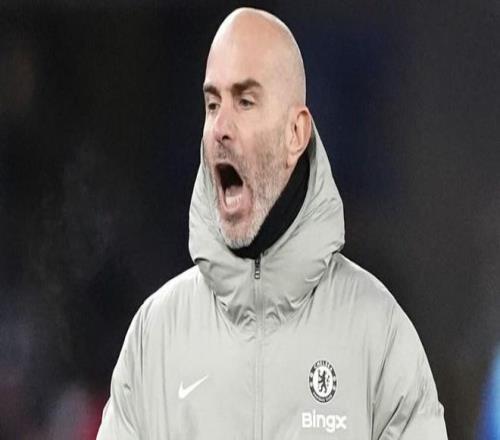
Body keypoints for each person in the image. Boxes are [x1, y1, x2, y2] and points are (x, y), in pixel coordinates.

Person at [97, 7, 448, 439]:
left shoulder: (379, 335)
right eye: (212, 104)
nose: (220, 127)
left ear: (295, 133)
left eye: (245, 101)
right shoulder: (155, 337)